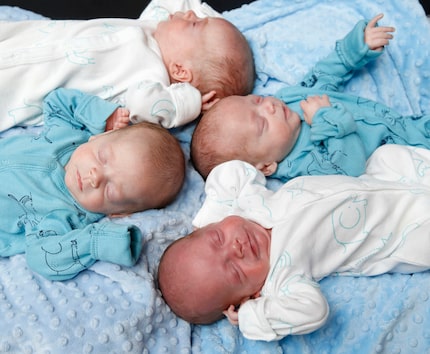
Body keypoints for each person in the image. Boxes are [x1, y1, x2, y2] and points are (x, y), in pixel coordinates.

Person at [158, 144, 430, 341]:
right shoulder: (282, 278)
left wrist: (215, 214)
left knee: (387, 155)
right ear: (250, 295)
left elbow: (230, 173)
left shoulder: (249, 204)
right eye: (235, 270)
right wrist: (254, 316)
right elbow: (314, 311)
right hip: (402, 231)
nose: (235, 248)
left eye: (217, 238)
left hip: (383, 179)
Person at [191, 14, 430, 182]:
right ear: (266, 166)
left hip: (412, 125)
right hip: (415, 158)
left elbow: (324, 74)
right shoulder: (303, 166)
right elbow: (350, 170)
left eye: (257, 101)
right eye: (262, 124)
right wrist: (327, 120)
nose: (270, 108)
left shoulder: (289, 99)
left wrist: (356, 48)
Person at [0, 87, 186, 281]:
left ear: (117, 213)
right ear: (100, 137)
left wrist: (95, 241)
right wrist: (103, 116)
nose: (95, 177)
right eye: (102, 157)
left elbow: (42, 258)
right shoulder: (68, 133)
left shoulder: (64, 218)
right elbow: (57, 101)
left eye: (111, 190)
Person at [0, 0, 255, 132]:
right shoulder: (151, 27)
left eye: (196, 24)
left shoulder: (152, 82)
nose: (191, 15)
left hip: (18, 89)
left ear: (180, 71)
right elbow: (179, 3)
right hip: (19, 39)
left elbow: (145, 106)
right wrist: (213, 25)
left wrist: (193, 101)